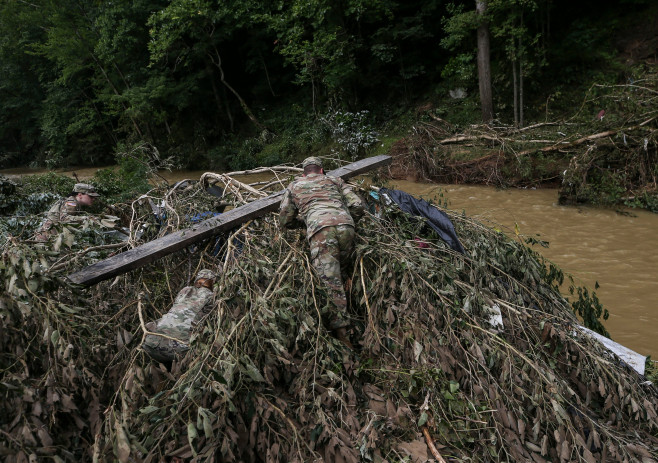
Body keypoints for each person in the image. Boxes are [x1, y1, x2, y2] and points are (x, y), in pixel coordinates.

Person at [279, 156, 364, 340]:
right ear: (322, 170)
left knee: (331, 284)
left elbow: (285, 219)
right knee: (342, 270)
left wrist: (307, 223)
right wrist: (347, 220)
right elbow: (357, 204)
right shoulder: (335, 180)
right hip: (346, 227)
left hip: (320, 231)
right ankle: (358, 311)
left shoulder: (295, 185)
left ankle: (343, 336)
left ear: (304, 172)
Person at [142, 269, 217, 363]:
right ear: (212, 282)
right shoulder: (212, 296)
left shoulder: (185, 290)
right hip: (177, 350)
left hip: (151, 342)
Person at [34, 182, 100, 241]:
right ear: (80, 195)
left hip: (51, 237)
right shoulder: (72, 202)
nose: (93, 199)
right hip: (47, 238)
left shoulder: (74, 202)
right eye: (90, 196)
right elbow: (64, 219)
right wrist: (86, 218)